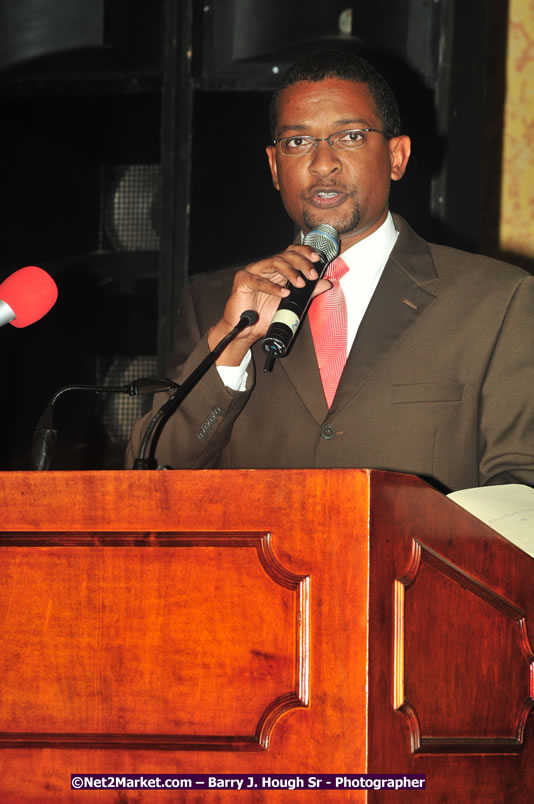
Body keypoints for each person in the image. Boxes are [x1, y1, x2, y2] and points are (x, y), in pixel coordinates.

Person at [127, 50, 534, 492]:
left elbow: (519, 494)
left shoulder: (496, 301)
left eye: (351, 136)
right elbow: (149, 475)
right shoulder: (215, 304)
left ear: (397, 157)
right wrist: (232, 344)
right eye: (298, 142)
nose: (323, 163)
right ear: (274, 167)